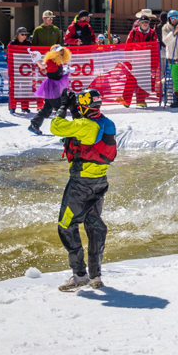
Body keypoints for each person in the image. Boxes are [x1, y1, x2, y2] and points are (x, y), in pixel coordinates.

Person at [50, 88, 117, 291]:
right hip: (100, 182)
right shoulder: (106, 122)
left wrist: (62, 107)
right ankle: (96, 275)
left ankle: (79, 274)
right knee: (94, 224)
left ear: (83, 106)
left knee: (66, 225)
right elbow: (85, 129)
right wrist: (75, 110)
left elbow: (56, 127)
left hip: (81, 185)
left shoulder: (83, 125)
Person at [29, 45, 72, 134]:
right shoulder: (51, 61)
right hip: (51, 87)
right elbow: (42, 66)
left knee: (47, 108)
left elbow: (59, 73)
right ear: (53, 53)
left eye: (62, 52)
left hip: (55, 86)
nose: (61, 53)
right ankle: (62, 128)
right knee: (59, 107)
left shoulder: (59, 62)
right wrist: (36, 59)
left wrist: (67, 71)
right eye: (59, 52)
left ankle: (34, 125)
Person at [122, 11, 159, 108]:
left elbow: (155, 50)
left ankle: (141, 100)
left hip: (146, 63)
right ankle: (126, 101)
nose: (145, 24)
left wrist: (154, 65)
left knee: (143, 82)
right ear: (139, 23)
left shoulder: (152, 34)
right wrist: (127, 62)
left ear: (148, 23)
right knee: (130, 81)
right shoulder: (133, 32)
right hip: (134, 62)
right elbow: (127, 48)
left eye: (146, 22)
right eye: (143, 23)